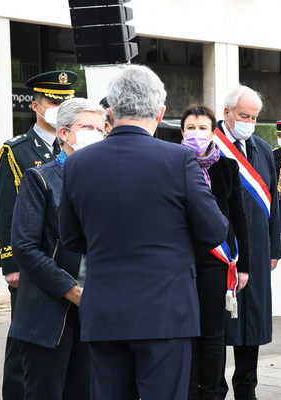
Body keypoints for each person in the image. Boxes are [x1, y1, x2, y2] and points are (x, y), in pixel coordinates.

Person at [58, 65, 229, 400]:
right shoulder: (179, 160)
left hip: (104, 309)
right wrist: (175, 248)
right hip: (165, 309)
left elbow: (71, 237)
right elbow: (214, 229)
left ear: (110, 112)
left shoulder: (78, 163)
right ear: (160, 112)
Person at [9, 97, 106, 400]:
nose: (96, 134)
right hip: (48, 312)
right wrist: (72, 291)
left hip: (95, 310)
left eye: (100, 129)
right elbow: (25, 248)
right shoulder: (40, 178)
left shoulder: (106, 180)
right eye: (87, 127)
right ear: (64, 133)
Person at [0, 69, 77, 400]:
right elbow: (8, 209)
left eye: (64, 103)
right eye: (52, 102)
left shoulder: (74, 146)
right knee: (27, 341)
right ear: (35, 105)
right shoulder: (17, 150)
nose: (58, 109)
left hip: (66, 262)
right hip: (32, 261)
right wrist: (11, 264)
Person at [213, 85, 281, 400]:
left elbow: (274, 203)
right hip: (220, 250)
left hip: (256, 250)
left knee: (251, 322)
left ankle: (246, 388)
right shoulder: (210, 146)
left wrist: (274, 249)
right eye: (244, 116)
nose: (249, 122)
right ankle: (214, 388)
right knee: (217, 324)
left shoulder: (263, 149)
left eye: (254, 117)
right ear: (227, 112)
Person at [180, 104, 250, 400]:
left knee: (212, 334)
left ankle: (211, 393)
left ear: (213, 132)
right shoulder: (170, 164)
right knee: (185, 333)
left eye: (203, 128)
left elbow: (239, 218)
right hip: (179, 262)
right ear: (182, 131)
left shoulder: (227, 167)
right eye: (191, 128)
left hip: (216, 261)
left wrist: (244, 266)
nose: (196, 134)